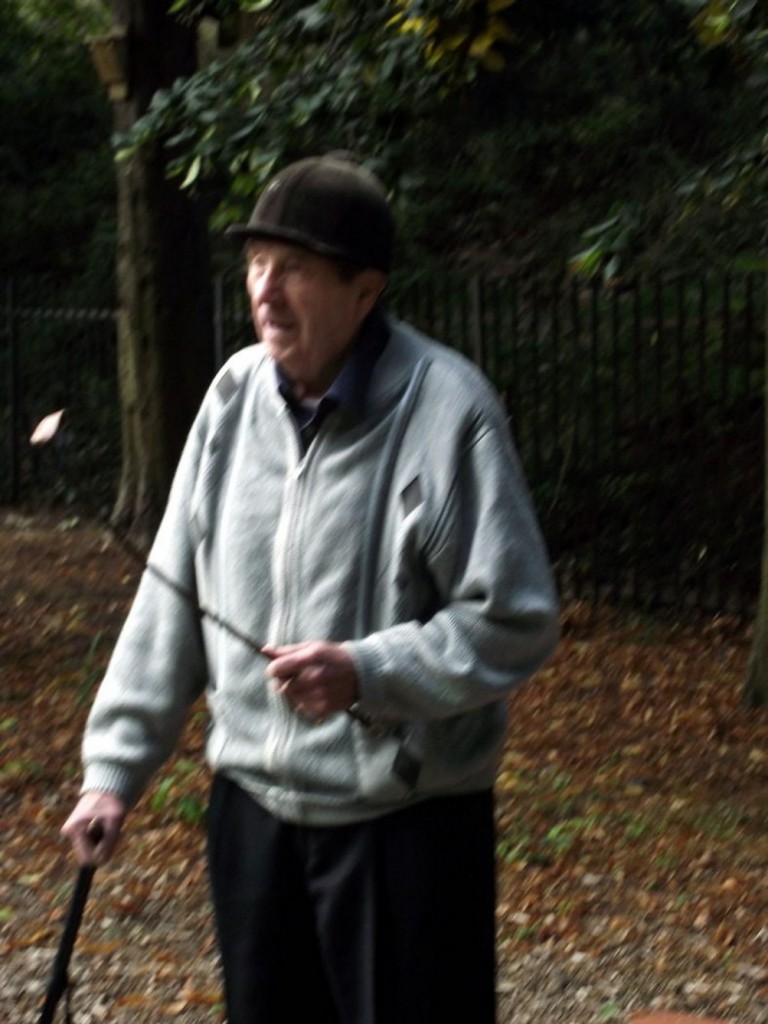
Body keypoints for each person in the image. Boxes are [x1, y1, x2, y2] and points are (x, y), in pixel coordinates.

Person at [62, 153, 559, 1024]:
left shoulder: (448, 411)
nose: (265, 289)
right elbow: (171, 596)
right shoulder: (231, 400)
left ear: (364, 292)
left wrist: (369, 671)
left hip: (404, 829)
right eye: (257, 263)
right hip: (254, 821)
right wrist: (112, 772)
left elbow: (515, 618)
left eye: (293, 268)